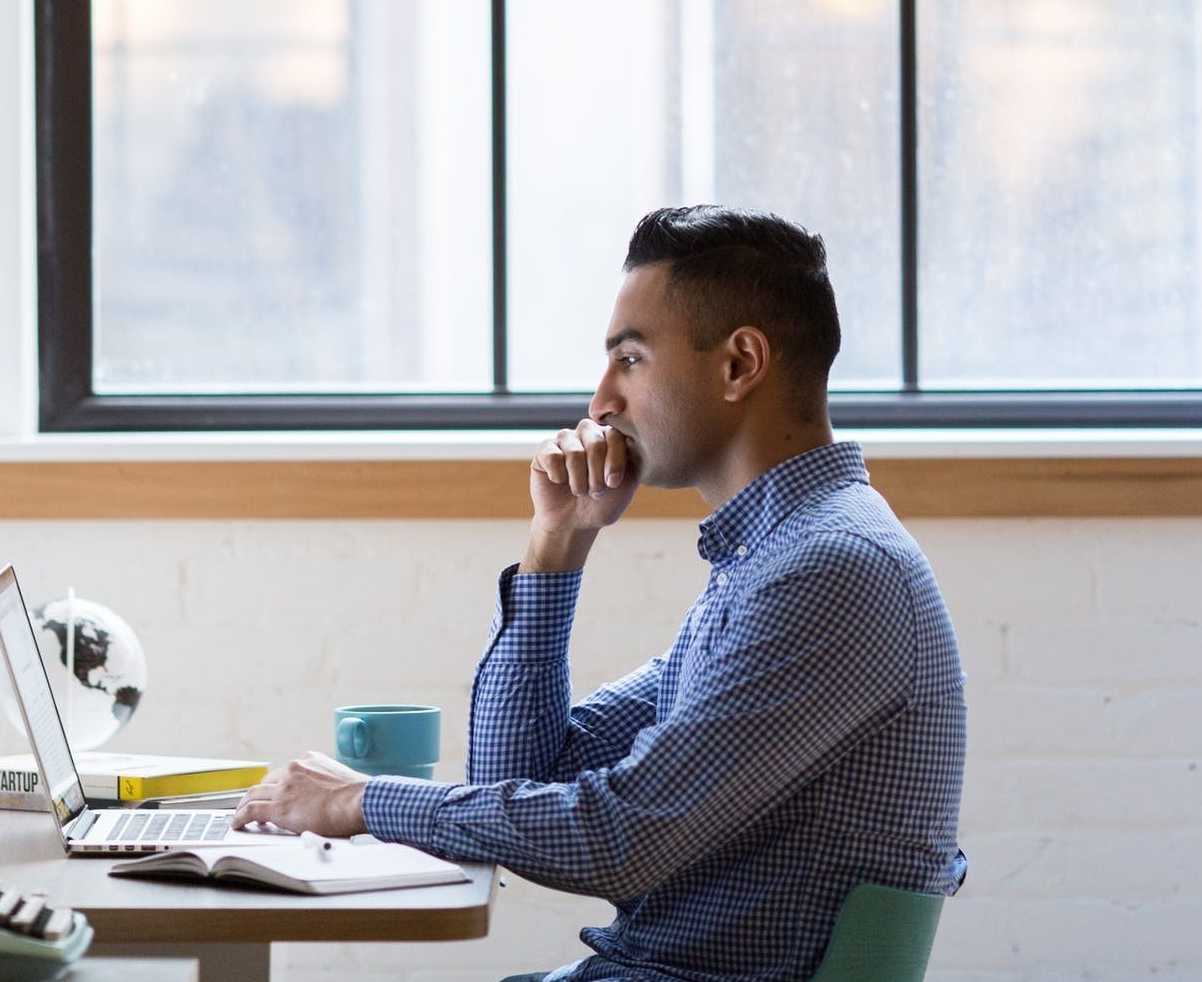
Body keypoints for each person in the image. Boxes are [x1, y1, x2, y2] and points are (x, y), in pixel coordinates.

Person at [236, 205, 967, 981]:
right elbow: (516, 780)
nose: (600, 403)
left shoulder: (828, 571)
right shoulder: (768, 563)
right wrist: (559, 541)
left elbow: (621, 840)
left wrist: (361, 801)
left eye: (631, 360)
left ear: (739, 364)